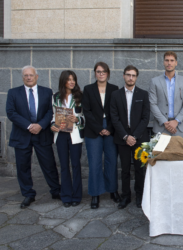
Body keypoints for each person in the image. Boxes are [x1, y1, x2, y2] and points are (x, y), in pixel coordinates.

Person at [6, 65, 61, 209]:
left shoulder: (47, 92)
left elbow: (50, 111)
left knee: (49, 164)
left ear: (36, 76)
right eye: (26, 75)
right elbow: (11, 112)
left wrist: (40, 125)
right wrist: (30, 126)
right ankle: (28, 194)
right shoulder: (13, 93)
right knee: (23, 167)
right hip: (22, 135)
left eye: (31, 75)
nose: (28, 77)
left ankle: (56, 191)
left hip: (42, 134)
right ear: (23, 77)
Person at [110, 65, 150, 209]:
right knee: (125, 169)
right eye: (128, 75)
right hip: (122, 138)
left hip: (139, 138)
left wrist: (134, 136)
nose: (130, 78)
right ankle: (126, 196)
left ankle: (140, 196)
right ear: (124, 76)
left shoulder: (143, 94)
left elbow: (146, 118)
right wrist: (126, 136)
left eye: (133, 75)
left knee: (140, 168)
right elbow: (114, 118)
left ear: (136, 77)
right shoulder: (115, 95)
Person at [82, 62, 120, 209]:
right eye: (98, 71)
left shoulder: (114, 89)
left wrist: (109, 127)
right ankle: (95, 194)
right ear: (95, 73)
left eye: (103, 71)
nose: (101, 74)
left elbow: (116, 111)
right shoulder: (88, 89)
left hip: (111, 128)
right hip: (93, 129)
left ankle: (113, 190)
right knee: (95, 162)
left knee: (111, 161)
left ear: (108, 73)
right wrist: (99, 128)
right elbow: (87, 111)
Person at [51, 70, 84, 207]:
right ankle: (66, 196)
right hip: (61, 134)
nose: (72, 82)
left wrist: (78, 119)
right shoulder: (55, 97)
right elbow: (52, 115)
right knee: (64, 166)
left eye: (73, 79)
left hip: (75, 135)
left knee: (75, 165)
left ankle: (76, 195)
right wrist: (52, 124)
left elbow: (86, 116)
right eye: (69, 79)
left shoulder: (80, 97)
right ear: (63, 81)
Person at [149, 51, 183, 139]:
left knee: (178, 152)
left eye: (172, 60)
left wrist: (176, 121)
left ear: (176, 63)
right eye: (167, 60)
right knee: (160, 153)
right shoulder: (155, 81)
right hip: (161, 127)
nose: (169, 63)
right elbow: (152, 104)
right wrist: (165, 122)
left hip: (178, 128)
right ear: (163, 62)